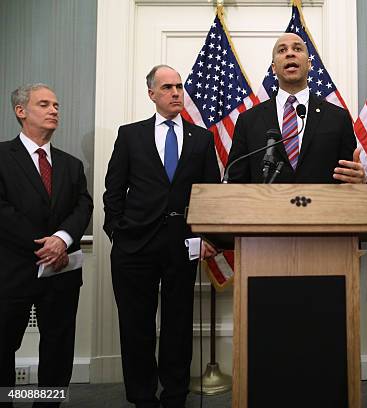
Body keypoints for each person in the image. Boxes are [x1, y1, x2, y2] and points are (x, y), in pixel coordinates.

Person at [103, 65, 220, 408]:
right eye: (167, 87)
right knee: (136, 325)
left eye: (179, 87)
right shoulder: (130, 134)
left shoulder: (202, 137)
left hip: (183, 244)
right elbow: (114, 191)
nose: (176, 93)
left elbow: (209, 192)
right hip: (134, 245)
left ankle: (175, 395)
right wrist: (117, 233)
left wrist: (207, 236)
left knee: (178, 325)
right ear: (152, 94)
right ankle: (142, 397)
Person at [0, 83, 93, 407]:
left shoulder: (70, 165)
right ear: (21, 111)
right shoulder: (1, 156)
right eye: (44, 104)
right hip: (12, 273)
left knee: (58, 348)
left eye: (56, 104)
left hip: (61, 272)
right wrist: (44, 246)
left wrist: (62, 240)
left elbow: (83, 206)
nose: (54, 110)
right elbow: (3, 212)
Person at [226, 32, 366, 184]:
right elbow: (235, 182)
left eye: (297, 49)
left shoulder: (338, 118)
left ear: (309, 64)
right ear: (273, 68)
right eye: (282, 50)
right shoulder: (248, 121)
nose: (290, 53)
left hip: (322, 206)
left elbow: (349, 178)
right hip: (266, 206)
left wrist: (360, 182)